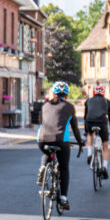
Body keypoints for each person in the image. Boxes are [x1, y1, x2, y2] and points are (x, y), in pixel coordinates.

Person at [36, 81, 84, 210]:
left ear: (53, 93)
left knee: (47, 153)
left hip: (42, 140)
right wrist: (80, 142)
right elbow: (75, 128)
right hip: (61, 140)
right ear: (67, 95)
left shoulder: (45, 105)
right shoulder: (69, 107)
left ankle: (43, 167)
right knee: (64, 168)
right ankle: (63, 198)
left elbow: (41, 121)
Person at [84, 85, 110, 179]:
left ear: (93, 93)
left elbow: (85, 116)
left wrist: (86, 130)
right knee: (105, 146)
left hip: (89, 122)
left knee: (90, 134)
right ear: (103, 93)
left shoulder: (88, 101)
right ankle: (105, 168)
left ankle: (89, 154)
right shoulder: (107, 102)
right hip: (102, 123)